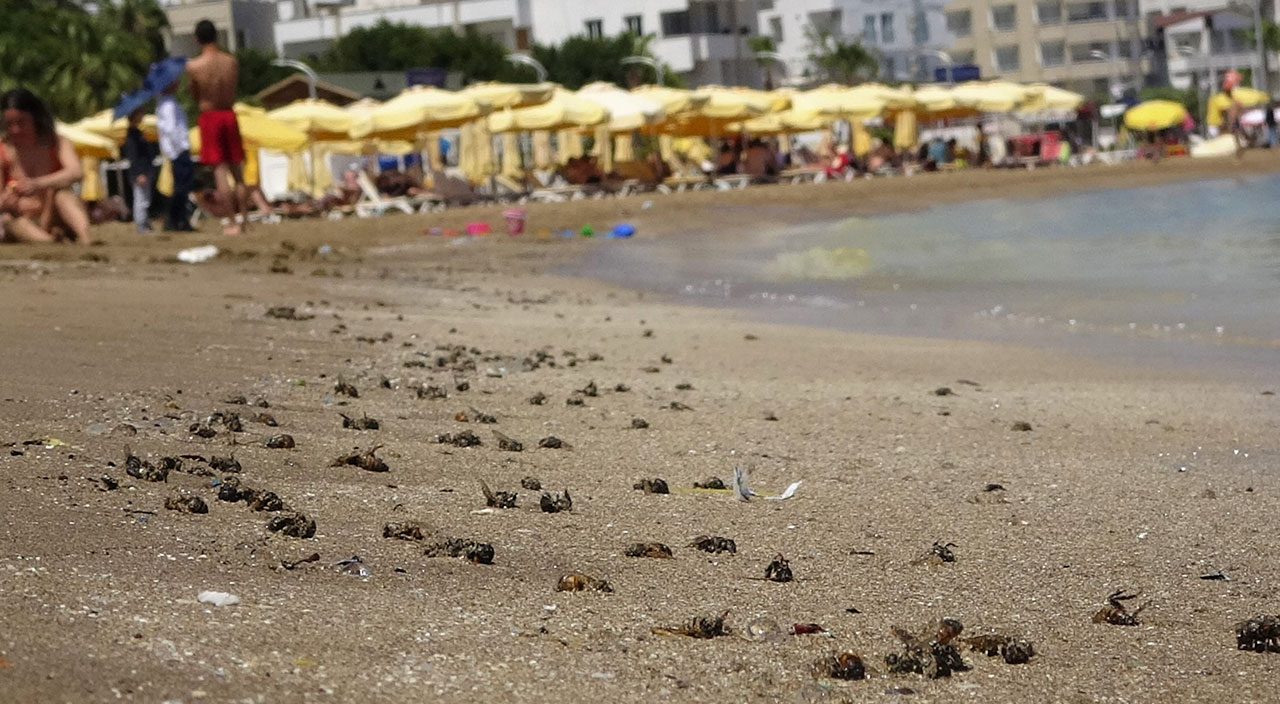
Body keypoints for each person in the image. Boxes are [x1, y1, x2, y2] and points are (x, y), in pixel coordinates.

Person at [0, 88, 92, 244]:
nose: (15, 130)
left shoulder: (57, 143)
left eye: (22, 123)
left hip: (55, 215)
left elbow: (76, 172)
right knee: (7, 218)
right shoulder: (3, 151)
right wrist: (5, 200)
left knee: (62, 194)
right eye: (10, 124)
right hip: (23, 220)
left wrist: (38, 183)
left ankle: (87, 237)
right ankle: (48, 241)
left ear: (35, 118)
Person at [187, 19, 248, 235]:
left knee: (220, 171)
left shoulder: (194, 66)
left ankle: (231, 222)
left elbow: (195, 94)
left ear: (197, 39)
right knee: (237, 172)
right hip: (229, 113)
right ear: (216, 36)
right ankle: (245, 220)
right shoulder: (230, 62)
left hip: (210, 116)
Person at [153, 61, 196, 232]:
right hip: (178, 150)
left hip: (175, 150)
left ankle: (178, 219)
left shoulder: (166, 103)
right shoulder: (168, 104)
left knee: (182, 186)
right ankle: (176, 219)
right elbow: (171, 130)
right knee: (182, 187)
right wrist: (180, 148)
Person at [122, 107, 155, 233]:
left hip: (144, 170)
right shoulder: (132, 135)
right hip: (140, 172)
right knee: (141, 199)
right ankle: (141, 224)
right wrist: (138, 173)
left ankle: (144, 222)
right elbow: (133, 157)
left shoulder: (137, 132)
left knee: (144, 199)